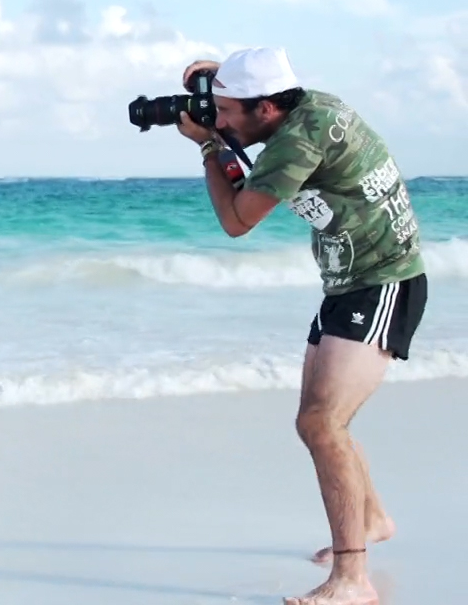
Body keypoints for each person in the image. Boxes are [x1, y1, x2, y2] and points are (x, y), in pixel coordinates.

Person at [176, 47, 425, 605]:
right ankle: (373, 519)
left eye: (225, 110)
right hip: (348, 280)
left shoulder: (297, 142)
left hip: (383, 281)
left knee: (321, 424)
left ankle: (352, 580)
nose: (218, 119)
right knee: (321, 422)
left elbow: (236, 220)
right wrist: (217, 77)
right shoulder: (302, 104)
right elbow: (253, 92)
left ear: (266, 108)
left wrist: (209, 148)